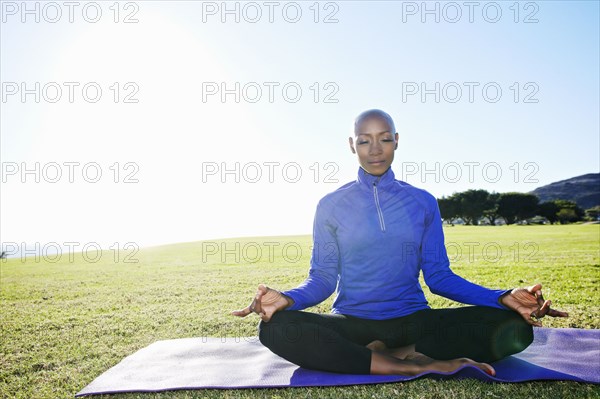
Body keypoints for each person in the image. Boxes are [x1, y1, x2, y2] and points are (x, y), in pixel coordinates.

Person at [232, 109, 569, 376]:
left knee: (514, 329)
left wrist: (503, 298)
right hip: (353, 324)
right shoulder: (330, 206)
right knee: (274, 329)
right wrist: (287, 299)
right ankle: (408, 364)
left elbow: (440, 277)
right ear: (352, 145)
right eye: (364, 141)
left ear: (397, 140)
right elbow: (322, 280)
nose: (375, 150)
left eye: (384, 139)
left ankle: (385, 355)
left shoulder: (423, 202)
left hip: (415, 323)